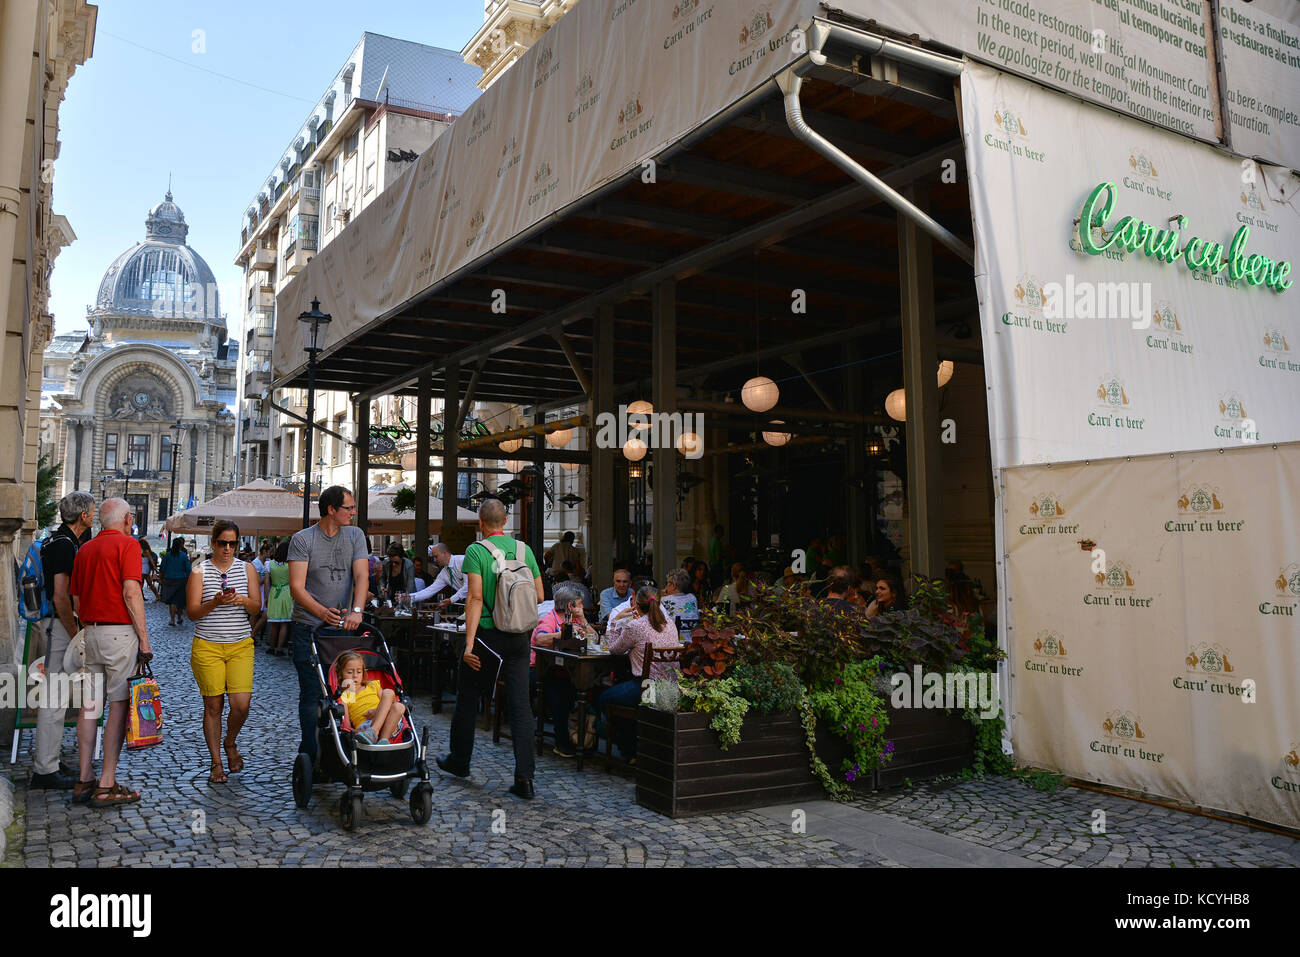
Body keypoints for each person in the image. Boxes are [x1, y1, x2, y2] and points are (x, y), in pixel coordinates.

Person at [438, 498, 543, 799]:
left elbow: (473, 598)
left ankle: (460, 761)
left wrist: (469, 644)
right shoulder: (525, 550)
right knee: (521, 706)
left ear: (481, 523)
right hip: (519, 638)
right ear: (506, 521)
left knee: (468, 698)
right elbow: (538, 594)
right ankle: (525, 779)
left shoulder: (476, 550)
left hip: (488, 636)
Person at [69, 497, 151, 806]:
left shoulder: (85, 549)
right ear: (128, 519)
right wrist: (144, 640)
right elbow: (132, 592)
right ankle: (106, 783)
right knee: (118, 706)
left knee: (90, 706)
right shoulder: (128, 546)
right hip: (119, 633)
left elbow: (75, 600)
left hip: (90, 632)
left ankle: (84, 778)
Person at [288, 486, 370, 762]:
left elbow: (361, 576)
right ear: (331, 510)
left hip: (343, 630)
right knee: (312, 694)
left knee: (347, 689)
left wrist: (357, 610)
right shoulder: (303, 539)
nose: (353, 512)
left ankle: (343, 746)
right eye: (348, 508)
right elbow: (297, 588)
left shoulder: (356, 535)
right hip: (308, 628)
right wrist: (323, 613)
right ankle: (311, 753)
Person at [30, 491, 95, 790]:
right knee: (55, 699)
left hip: (57, 625)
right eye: (92, 512)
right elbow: (60, 596)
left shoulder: (58, 541)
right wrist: (75, 634)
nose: (93, 516)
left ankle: (50, 760)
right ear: (83, 515)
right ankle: (45, 769)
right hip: (60, 627)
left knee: (58, 697)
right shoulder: (65, 546)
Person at [186, 519, 259, 783]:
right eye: (222, 543)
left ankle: (230, 742)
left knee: (241, 705)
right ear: (214, 542)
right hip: (208, 645)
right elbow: (192, 613)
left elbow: (256, 607)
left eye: (233, 543)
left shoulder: (247, 569)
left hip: (240, 644)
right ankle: (217, 763)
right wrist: (215, 602)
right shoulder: (199, 572)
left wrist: (241, 600)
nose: (228, 548)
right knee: (213, 705)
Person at [600, 585, 681, 760]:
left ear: (636, 605)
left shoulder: (636, 626)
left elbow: (614, 649)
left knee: (604, 697)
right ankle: (634, 746)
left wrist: (615, 623)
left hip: (648, 689)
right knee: (623, 695)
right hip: (670, 687)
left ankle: (628, 749)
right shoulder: (670, 624)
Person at [530, 583, 595, 758]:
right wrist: (562, 634)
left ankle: (586, 738)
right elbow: (540, 639)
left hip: (567, 668)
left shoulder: (574, 619)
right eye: (580, 604)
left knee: (589, 688)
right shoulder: (550, 619)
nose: (582, 607)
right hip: (540, 669)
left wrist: (583, 621)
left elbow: (594, 639)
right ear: (570, 606)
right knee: (560, 692)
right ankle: (562, 742)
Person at [336, 652, 406, 744]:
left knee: (396, 703)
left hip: (387, 723)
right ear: (340, 674)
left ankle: (380, 737)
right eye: (349, 672)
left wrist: (377, 711)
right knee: (396, 704)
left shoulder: (373, 685)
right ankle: (376, 735)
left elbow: (390, 704)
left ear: (363, 673)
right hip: (365, 729)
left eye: (359, 671)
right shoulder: (346, 696)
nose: (355, 676)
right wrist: (358, 732)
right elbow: (347, 727)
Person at [404, 542, 467, 607]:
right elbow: (429, 591)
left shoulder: (462, 561)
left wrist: (451, 600)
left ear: (444, 553)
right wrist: (408, 597)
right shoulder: (444, 572)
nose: (434, 560)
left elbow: (468, 586)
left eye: (436, 556)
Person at [265, 541, 294, 656]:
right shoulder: (291, 565)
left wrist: (267, 597)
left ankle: (271, 647)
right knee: (284, 623)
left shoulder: (269, 564)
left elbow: (267, 582)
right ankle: (279, 649)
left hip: (274, 592)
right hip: (287, 593)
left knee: (273, 623)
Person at [659, 568, 699, 641]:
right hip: (691, 642)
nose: (665, 587)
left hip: (672, 643)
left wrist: (661, 597)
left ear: (673, 585)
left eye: (667, 583)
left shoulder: (664, 600)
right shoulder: (692, 598)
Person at [160, 536, 191, 626]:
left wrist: (161, 577)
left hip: (169, 579)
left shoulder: (168, 555)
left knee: (172, 601)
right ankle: (179, 618)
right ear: (181, 545)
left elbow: (162, 567)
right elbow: (188, 569)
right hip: (181, 580)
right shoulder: (183, 556)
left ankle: (172, 619)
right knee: (179, 600)